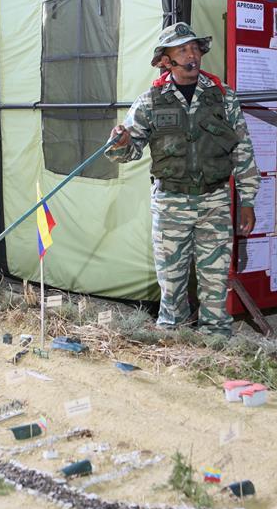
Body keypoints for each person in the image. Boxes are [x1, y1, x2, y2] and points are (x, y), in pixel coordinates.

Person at [105, 22, 260, 337]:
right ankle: (173, 345)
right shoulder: (150, 101)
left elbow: (242, 149)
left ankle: (215, 344)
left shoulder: (223, 96)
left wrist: (247, 200)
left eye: (195, 48)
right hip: (170, 205)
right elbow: (127, 152)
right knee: (172, 286)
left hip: (215, 202)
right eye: (183, 50)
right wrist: (120, 142)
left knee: (215, 285)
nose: (192, 55)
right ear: (167, 60)